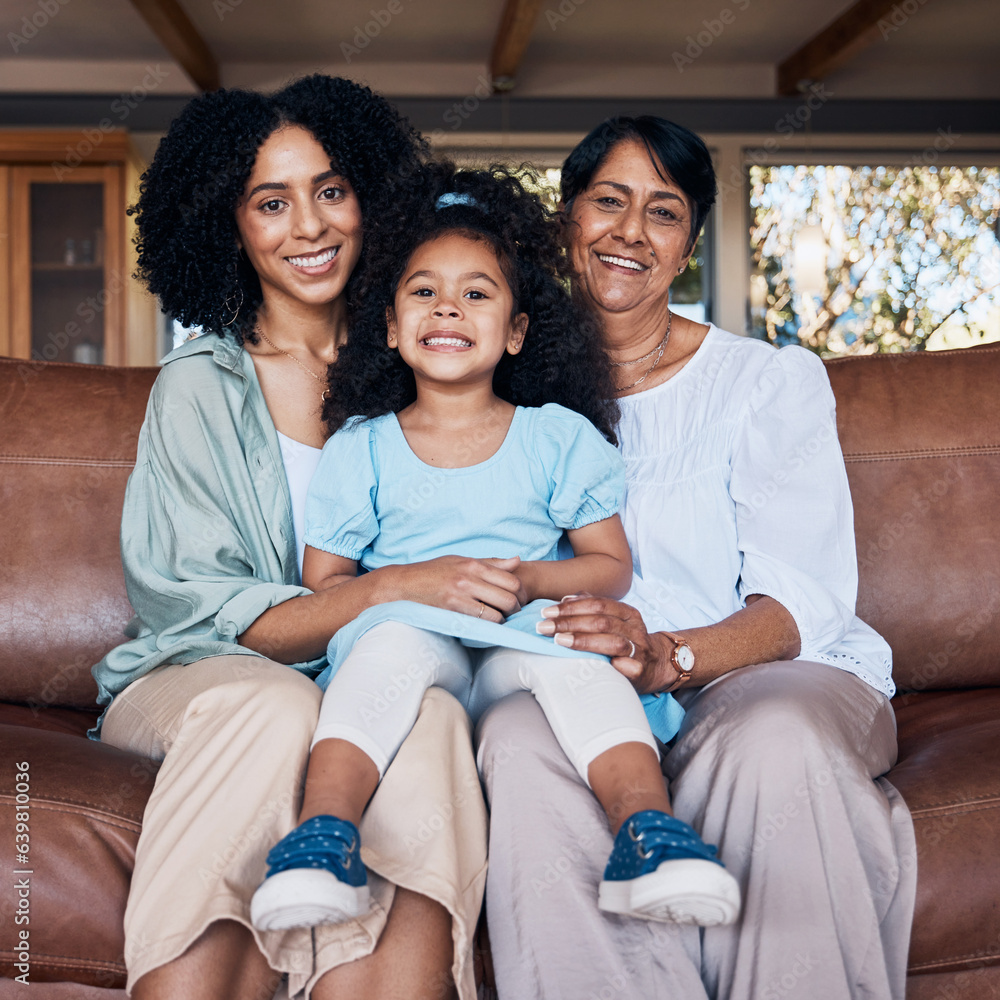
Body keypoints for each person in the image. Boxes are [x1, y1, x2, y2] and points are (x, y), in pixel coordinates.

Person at [476, 116, 917, 1000]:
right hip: (584, 690)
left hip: (764, 671)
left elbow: (801, 601)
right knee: (518, 741)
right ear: (567, 222)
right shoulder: (508, 390)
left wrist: (668, 656)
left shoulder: (764, 383)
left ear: (687, 246)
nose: (630, 232)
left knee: (771, 740)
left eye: (663, 212)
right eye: (608, 202)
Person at [247, 164, 741, 936]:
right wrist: (410, 587)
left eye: (476, 293)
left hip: (522, 633)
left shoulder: (555, 437)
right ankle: (322, 839)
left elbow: (610, 564)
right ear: (388, 324)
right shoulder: (362, 447)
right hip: (415, 636)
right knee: (386, 647)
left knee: (583, 656)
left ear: (515, 330)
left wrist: (530, 581)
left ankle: (651, 835)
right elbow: (326, 583)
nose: (448, 306)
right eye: (423, 292)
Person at [91, 76, 494, 1000]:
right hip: (200, 675)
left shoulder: (425, 363)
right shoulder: (201, 386)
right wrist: (397, 586)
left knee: (429, 718)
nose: (309, 226)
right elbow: (208, 609)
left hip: (372, 672)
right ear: (227, 225)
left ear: (371, 198)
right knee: (276, 710)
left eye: (330, 190)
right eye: (271, 203)